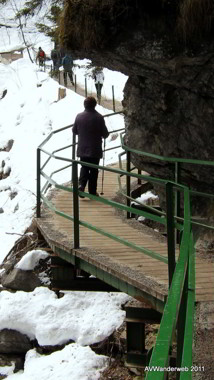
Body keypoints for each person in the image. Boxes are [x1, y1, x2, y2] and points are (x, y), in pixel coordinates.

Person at [73, 96, 109, 197]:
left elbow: (74, 131)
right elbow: (105, 134)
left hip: (82, 148)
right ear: (95, 105)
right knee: (94, 170)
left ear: (84, 105)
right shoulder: (99, 117)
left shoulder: (79, 116)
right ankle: (92, 191)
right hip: (95, 149)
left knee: (84, 167)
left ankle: (81, 185)